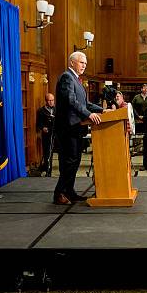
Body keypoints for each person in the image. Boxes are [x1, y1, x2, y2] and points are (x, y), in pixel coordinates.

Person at [53, 51, 104, 205]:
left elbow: (85, 104)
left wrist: (102, 110)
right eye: (82, 62)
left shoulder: (76, 80)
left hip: (75, 128)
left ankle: (69, 191)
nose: (84, 66)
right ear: (72, 63)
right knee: (68, 161)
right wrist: (89, 115)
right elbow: (71, 101)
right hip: (67, 128)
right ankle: (59, 193)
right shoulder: (66, 77)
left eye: (85, 63)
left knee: (74, 161)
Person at [36, 93, 56, 176]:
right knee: (48, 154)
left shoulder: (57, 109)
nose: (51, 102)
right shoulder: (41, 111)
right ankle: (48, 172)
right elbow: (38, 124)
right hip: (47, 135)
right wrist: (43, 128)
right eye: (49, 100)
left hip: (56, 134)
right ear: (46, 101)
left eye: (52, 100)